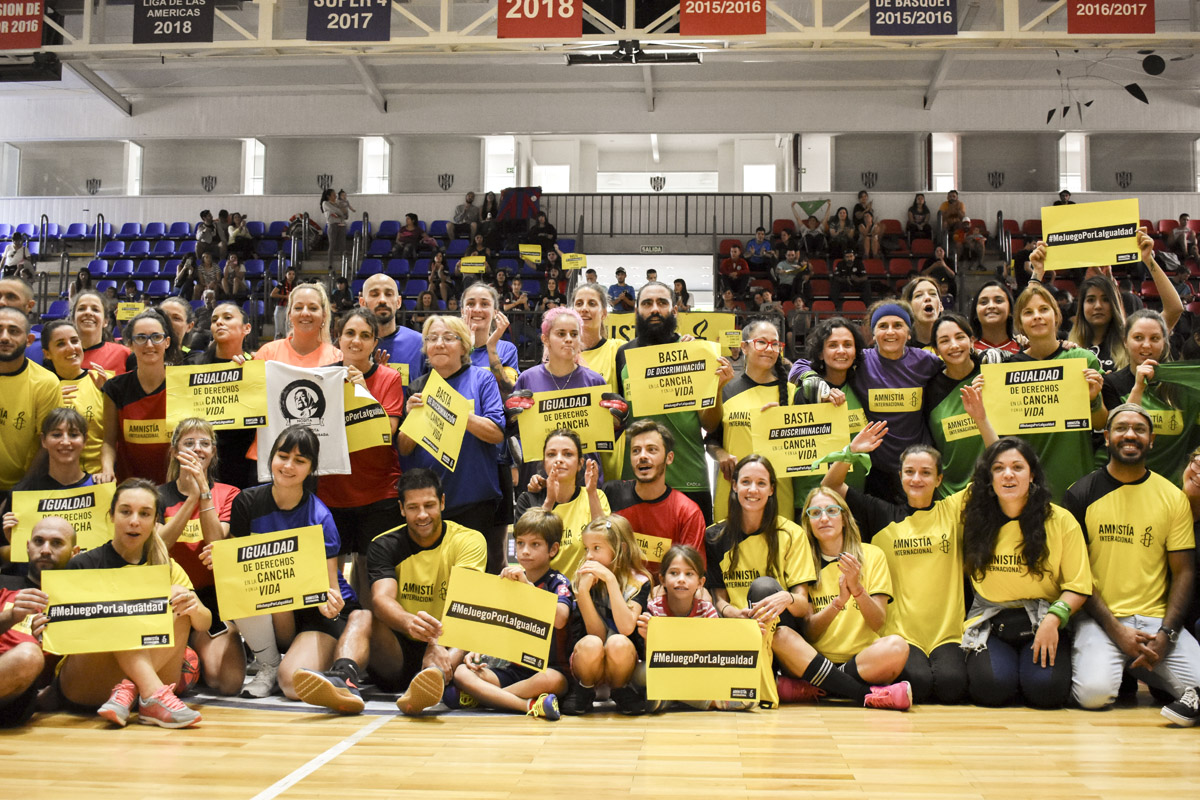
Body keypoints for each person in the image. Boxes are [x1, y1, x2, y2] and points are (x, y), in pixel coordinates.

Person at [706, 456, 910, 709]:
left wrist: (794, 597)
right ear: (733, 486)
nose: (753, 489)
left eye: (761, 483)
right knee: (767, 596)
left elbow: (804, 606)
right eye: (746, 482)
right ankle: (865, 695)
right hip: (754, 635)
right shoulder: (714, 536)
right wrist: (731, 611)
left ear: (772, 489)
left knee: (897, 647)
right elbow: (717, 598)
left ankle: (815, 687)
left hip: (806, 648)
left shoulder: (793, 535)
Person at [294, 469, 485, 716]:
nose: (422, 515)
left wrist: (436, 642)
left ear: (443, 503)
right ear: (402, 509)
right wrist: (412, 624)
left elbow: (465, 603)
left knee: (468, 630)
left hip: (448, 641)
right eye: (413, 507)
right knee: (362, 616)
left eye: (429, 505)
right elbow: (382, 599)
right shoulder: (383, 544)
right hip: (398, 648)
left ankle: (434, 678)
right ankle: (344, 679)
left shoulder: (469, 541)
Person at [1063, 404, 1200, 711]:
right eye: (1121, 427)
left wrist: (1167, 633)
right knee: (1094, 696)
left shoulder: (1172, 497)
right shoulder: (1079, 494)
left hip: (1155, 623)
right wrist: (1117, 631)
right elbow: (1076, 574)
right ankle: (1126, 666)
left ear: (1151, 440)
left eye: (1139, 429)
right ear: (1107, 437)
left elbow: (1184, 572)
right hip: (1100, 621)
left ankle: (1138, 666)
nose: (1130, 435)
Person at [57, 478, 209, 728]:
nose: (134, 520)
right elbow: (65, 634)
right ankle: (148, 693)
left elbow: (204, 623)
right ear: (112, 516)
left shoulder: (166, 566)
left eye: (144, 513)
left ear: (155, 522)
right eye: (125, 512)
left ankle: (135, 690)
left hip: (151, 679)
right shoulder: (83, 564)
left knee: (178, 594)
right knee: (120, 604)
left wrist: (194, 605)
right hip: (86, 682)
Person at [961, 438, 1093, 708]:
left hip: (1044, 621)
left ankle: (1025, 674)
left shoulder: (1060, 520)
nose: (1008, 474)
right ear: (989, 478)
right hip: (992, 621)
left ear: (1032, 474)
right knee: (991, 689)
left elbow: (1079, 586)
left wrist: (1054, 621)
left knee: (1047, 692)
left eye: (1017, 467)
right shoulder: (973, 516)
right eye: (998, 468)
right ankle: (1013, 673)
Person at [226, 425, 354, 699]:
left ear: (311, 468)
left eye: (300, 460)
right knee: (238, 584)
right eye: (283, 456)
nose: (288, 465)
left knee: (293, 686)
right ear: (270, 457)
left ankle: (327, 670)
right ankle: (268, 663)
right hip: (269, 610)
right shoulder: (246, 502)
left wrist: (331, 604)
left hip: (310, 616)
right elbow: (235, 575)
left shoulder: (320, 516)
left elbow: (331, 589)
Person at [792, 301, 941, 504]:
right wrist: (812, 380)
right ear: (873, 334)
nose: (890, 332)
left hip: (916, 465)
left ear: (909, 332)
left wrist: (983, 357)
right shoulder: (861, 361)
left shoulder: (925, 361)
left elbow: (957, 364)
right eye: (882, 326)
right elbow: (799, 365)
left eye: (898, 325)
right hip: (877, 471)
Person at [615, 281, 726, 524]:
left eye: (662, 303)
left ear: (674, 310)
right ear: (637, 311)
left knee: (691, 560)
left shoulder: (695, 350)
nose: (654, 309)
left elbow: (710, 423)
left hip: (689, 476)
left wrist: (717, 390)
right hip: (637, 477)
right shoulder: (623, 353)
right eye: (647, 303)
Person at [448, 508, 572, 720]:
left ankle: (485, 698)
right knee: (461, 672)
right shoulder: (507, 580)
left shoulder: (557, 582)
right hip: (511, 670)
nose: (524, 551)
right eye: (520, 543)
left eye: (535, 545)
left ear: (553, 549)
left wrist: (527, 588)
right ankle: (529, 705)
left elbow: (561, 618)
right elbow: (494, 623)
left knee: (553, 681)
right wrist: (477, 651)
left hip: (544, 671)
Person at [318, 309, 404, 607]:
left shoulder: (389, 378)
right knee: (332, 579)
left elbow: (387, 433)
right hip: (332, 491)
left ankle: (373, 642)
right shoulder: (322, 377)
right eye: (350, 334)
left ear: (374, 342)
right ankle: (341, 638)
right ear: (338, 338)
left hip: (379, 492)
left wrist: (362, 391)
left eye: (365, 335)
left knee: (373, 578)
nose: (356, 341)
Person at [157, 418, 245, 696]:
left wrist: (204, 494)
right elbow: (160, 544)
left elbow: (216, 543)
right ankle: (188, 650)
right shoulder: (156, 496)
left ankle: (197, 648)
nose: (197, 449)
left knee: (228, 682)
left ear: (214, 452)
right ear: (174, 451)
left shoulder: (230, 493)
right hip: (168, 597)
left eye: (205, 443)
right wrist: (191, 498)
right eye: (189, 443)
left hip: (211, 598)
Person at [398, 315, 505, 541]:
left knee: (470, 574)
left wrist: (453, 410)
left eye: (449, 338)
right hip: (429, 502)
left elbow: (496, 433)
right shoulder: (418, 387)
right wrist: (412, 418)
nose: (439, 344)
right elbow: (404, 448)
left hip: (475, 499)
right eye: (432, 338)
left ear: (464, 345)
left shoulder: (482, 379)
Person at [1004, 279, 1107, 502]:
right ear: (1020, 323)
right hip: (1028, 484)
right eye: (1028, 312)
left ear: (1056, 315)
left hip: (1076, 478)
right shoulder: (1007, 370)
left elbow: (1101, 423)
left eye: (1044, 309)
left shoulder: (1082, 359)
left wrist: (1093, 399)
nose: (1037, 316)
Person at [798, 486, 910, 691]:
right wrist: (838, 603)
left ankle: (828, 684)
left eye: (831, 510)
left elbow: (877, 623)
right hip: (819, 659)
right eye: (815, 513)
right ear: (808, 523)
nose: (824, 518)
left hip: (864, 659)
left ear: (844, 518)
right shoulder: (804, 562)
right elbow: (810, 634)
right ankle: (855, 689)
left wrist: (857, 589)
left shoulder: (873, 555)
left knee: (897, 647)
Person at [637, 544, 755, 713]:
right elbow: (650, 659)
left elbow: (716, 654)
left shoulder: (706, 610)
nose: (681, 579)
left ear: (701, 582)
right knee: (640, 673)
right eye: (674, 573)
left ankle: (668, 699)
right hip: (666, 671)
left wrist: (751, 633)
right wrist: (648, 637)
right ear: (662, 579)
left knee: (709, 679)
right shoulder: (653, 610)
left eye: (689, 574)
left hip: (698, 673)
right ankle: (713, 702)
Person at [561, 514, 652, 716]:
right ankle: (584, 691)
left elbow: (626, 627)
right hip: (588, 662)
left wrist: (611, 581)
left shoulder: (639, 581)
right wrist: (582, 593)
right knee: (592, 643)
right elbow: (598, 636)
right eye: (587, 549)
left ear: (621, 548)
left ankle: (621, 691)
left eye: (596, 548)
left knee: (618, 642)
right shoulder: (583, 580)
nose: (589, 556)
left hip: (622, 663)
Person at [508, 306, 612, 478]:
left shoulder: (595, 381)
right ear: (546, 339)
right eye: (561, 334)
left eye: (574, 334)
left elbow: (603, 438)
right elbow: (514, 430)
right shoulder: (527, 379)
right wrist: (510, 418)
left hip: (584, 481)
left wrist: (616, 423)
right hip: (538, 478)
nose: (569, 339)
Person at [706, 318, 794, 520]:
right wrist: (721, 455)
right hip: (733, 492)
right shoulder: (726, 389)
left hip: (779, 495)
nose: (769, 349)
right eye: (762, 342)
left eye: (775, 344)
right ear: (744, 347)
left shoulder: (792, 393)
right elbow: (711, 440)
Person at [1103, 310, 1200, 483]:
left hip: (1174, 488)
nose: (1146, 345)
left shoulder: (1181, 384)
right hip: (1123, 483)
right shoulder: (1111, 383)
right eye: (1138, 338)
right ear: (1125, 341)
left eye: (1155, 338)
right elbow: (1123, 435)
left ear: (1165, 341)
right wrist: (1138, 387)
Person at [603, 419, 706, 577]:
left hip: (667, 596)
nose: (642, 456)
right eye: (636, 451)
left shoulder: (688, 512)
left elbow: (692, 576)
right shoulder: (611, 494)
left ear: (669, 458)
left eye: (652, 450)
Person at [0, 516, 75, 728]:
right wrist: (11, 616)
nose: (45, 550)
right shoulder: (4, 582)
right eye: (39, 541)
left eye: (57, 543)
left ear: (75, 551)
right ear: (27, 546)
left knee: (28, 654)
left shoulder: (80, 596)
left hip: (19, 697)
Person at [789, 317, 869, 511]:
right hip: (813, 498)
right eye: (833, 345)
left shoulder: (861, 387)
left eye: (847, 345)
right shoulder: (806, 391)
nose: (841, 351)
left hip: (854, 497)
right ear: (821, 354)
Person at [178, 301, 258, 488]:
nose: (219, 322)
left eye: (227, 318)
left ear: (246, 328)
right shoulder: (192, 366)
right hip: (199, 458)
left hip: (242, 461)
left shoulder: (255, 366)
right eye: (215, 320)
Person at [514, 429, 609, 579]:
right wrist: (549, 502)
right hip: (542, 590)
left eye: (568, 454)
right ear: (544, 462)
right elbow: (528, 553)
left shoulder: (596, 496)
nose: (559, 460)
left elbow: (605, 544)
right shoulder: (527, 500)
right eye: (551, 454)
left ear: (580, 464)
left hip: (587, 589)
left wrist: (591, 493)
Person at [101, 309, 181, 485]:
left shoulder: (183, 384)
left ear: (167, 342)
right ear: (130, 344)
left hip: (175, 487)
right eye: (141, 338)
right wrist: (107, 471)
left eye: (156, 337)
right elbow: (108, 441)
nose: (149, 344)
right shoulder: (115, 388)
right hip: (131, 487)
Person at [0, 308, 71, 501]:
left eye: (13, 331)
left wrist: (20, 491)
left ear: (29, 340)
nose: (4, 337)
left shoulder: (45, 382)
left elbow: (47, 444)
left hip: (22, 488)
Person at [925, 313, 999, 495]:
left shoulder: (992, 375)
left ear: (972, 340)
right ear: (936, 349)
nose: (954, 345)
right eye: (944, 341)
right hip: (946, 493)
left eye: (960, 337)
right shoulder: (929, 389)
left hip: (993, 488)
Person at [37, 323, 108, 480]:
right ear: (47, 353)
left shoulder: (102, 380)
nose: (71, 348)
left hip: (98, 478)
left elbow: (112, 438)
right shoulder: (43, 387)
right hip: (53, 478)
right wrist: (53, 400)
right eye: (61, 344)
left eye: (75, 341)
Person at [574, 282, 627, 484]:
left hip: (611, 461)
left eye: (592, 303)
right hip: (572, 461)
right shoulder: (558, 355)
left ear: (604, 313)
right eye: (579, 303)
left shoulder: (618, 349)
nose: (584, 308)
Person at [360, 273, 423, 389]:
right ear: (362, 303)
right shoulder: (354, 346)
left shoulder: (420, 343)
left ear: (398, 302)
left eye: (389, 294)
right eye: (374, 294)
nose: (382, 300)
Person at [255, 282, 341, 367]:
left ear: (324, 315)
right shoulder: (267, 354)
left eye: (313, 308)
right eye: (298, 308)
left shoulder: (336, 357)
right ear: (290, 315)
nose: (305, 313)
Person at [1068, 276, 1128, 373]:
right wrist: (1037, 273)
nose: (1098, 306)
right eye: (1091, 300)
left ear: (1114, 305)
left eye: (1105, 299)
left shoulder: (1128, 343)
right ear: (1081, 306)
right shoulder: (1068, 346)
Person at [69, 290, 130, 375]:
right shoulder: (62, 355)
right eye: (81, 309)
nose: (88, 312)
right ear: (73, 319)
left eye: (95, 309)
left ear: (105, 321)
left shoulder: (124, 354)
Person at [970, 280, 1022, 357]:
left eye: (998, 301)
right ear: (975, 313)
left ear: (1010, 310)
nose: (991, 306)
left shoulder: (1023, 348)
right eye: (984, 302)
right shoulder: (967, 351)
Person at [901, 276, 943, 349]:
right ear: (908, 307)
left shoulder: (953, 344)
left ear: (941, 306)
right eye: (918, 295)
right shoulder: (900, 347)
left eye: (933, 294)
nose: (927, 298)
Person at [270, 265, 296, 340]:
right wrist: (285, 297)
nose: (291, 276)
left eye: (293, 274)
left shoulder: (294, 285)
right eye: (289, 274)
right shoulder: (281, 284)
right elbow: (272, 294)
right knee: (279, 330)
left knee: (289, 329)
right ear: (286, 275)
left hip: (290, 308)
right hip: (281, 307)